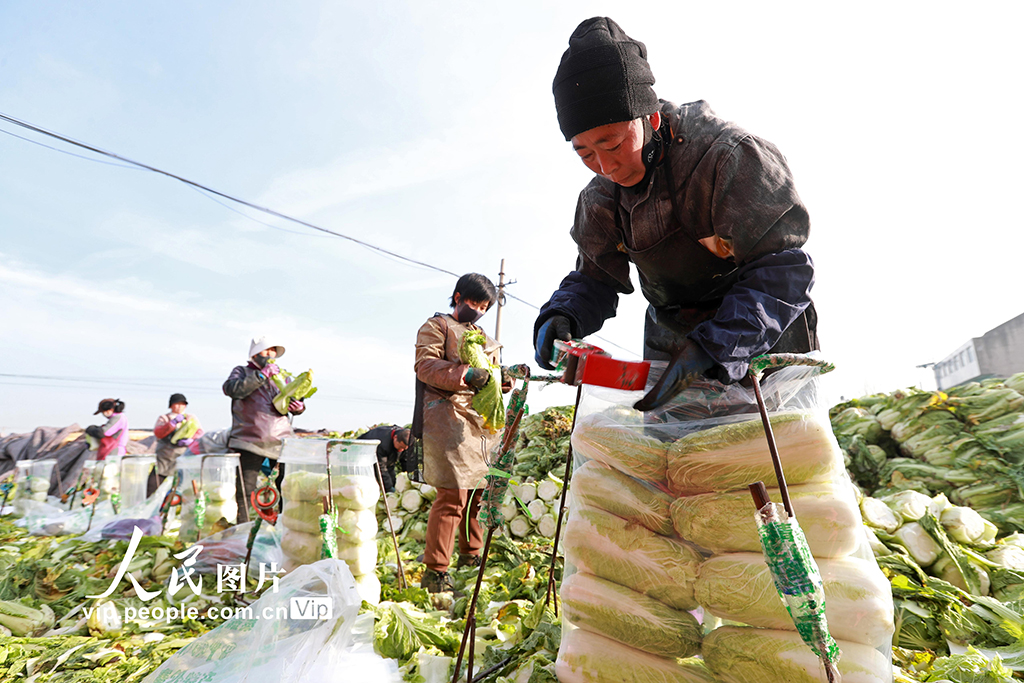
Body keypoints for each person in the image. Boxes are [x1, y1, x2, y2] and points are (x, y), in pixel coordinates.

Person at [535, 17, 818, 410]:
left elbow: (784, 270)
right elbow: (595, 279)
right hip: (673, 348)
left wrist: (718, 345)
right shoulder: (601, 198)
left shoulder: (725, 156)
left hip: (759, 338)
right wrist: (563, 314)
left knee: (775, 461)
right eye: (584, 153)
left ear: (649, 119)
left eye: (613, 144)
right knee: (679, 465)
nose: (605, 166)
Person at [414, 273, 503, 593]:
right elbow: (425, 366)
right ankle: (436, 571)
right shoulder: (437, 327)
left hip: (480, 423)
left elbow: (492, 376)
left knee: (478, 492)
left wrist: (499, 380)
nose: (477, 310)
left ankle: (471, 555)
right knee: (453, 495)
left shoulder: (486, 339)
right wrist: (466, 374)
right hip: (449, 417)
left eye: (483, 306)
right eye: (473, 302)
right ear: (457, 296)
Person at [223, 336, 306, 519]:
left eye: (273, 350)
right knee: (246, 489)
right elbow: (232, 389)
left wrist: (299, 406)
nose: (270, 354)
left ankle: (284, 526)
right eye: (266, 350)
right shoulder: (242, 372)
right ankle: (243, 529)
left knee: (287, 487)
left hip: (282, 441)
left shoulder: (283, 377)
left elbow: (296, 399)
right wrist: (261, 376)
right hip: (250, 440)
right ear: (254, 353)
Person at [149, 393, 204, 496]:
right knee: (155, 482)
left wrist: (191, 440)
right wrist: (172, 424)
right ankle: (149, 500)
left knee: (181, 482)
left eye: (182, 404)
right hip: (165, 456)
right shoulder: (164, 418)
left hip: (183, 455)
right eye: (177, 404)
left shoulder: (191, 418)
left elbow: (199, 433)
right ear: (171, 406)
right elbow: (158, 433)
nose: (179, 407)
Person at [357, 425, 412, 493]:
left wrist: (409, 478)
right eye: (401, 447)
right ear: (395, 438)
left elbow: (405, 460)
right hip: (362, 455)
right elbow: (381, 468)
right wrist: (389, 488)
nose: (402, 450)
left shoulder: (405, 439)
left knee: (392, 476)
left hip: (387, 451)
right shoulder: (382, 444)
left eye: (404, 448)